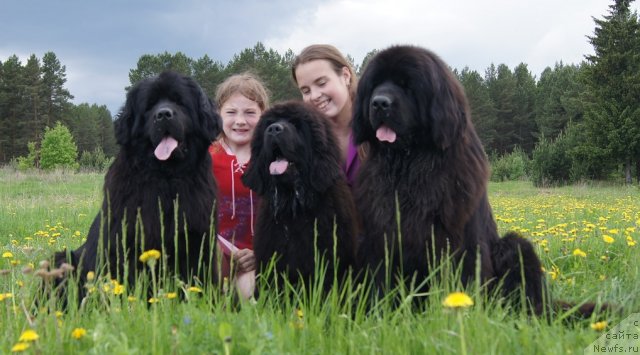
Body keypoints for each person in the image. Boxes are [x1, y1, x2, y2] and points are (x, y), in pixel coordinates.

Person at [209, 72, 269, 296]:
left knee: (248, 294)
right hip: (215, 252)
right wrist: (223, 250)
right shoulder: (206, 158)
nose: (240, 121)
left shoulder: (271, 158)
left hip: (256, 257)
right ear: (219, 115)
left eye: (250, 113)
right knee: (216, 287)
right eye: (231, 112)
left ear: (263, 115)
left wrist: (259, 252)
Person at [291, 44, 362, 190]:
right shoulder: (303, 139)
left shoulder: (379, 126)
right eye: (306, 91)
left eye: (321, 83)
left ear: (345, 76)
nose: (315, 96)